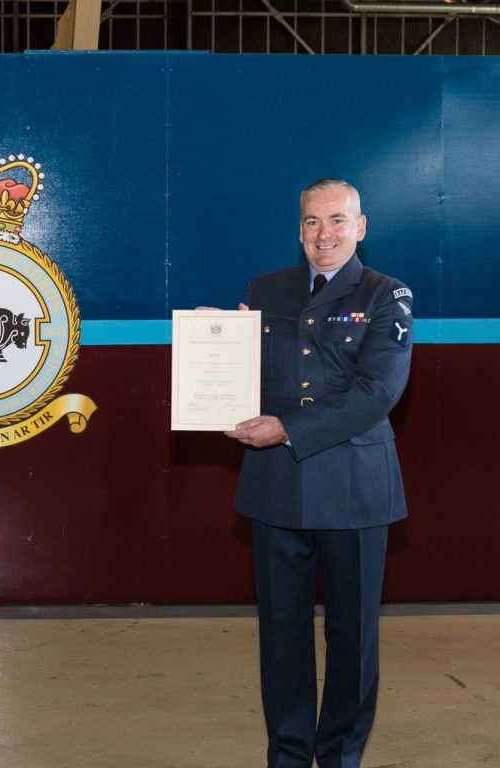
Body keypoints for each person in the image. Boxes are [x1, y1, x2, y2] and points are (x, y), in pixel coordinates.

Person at [225, 179, 412, 768]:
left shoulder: (388, 295)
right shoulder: (264, 290)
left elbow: (377, 391)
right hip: (276, 485)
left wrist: (286, 428)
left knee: (352, 639)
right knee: (281, 636)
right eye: (311, 222)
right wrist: (217, 342)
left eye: (336, 221)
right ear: (299, 228)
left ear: (360, 227)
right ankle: (287, 754)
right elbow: (246, 377)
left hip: (354, 488)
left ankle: (339, 758)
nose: (323, 234)